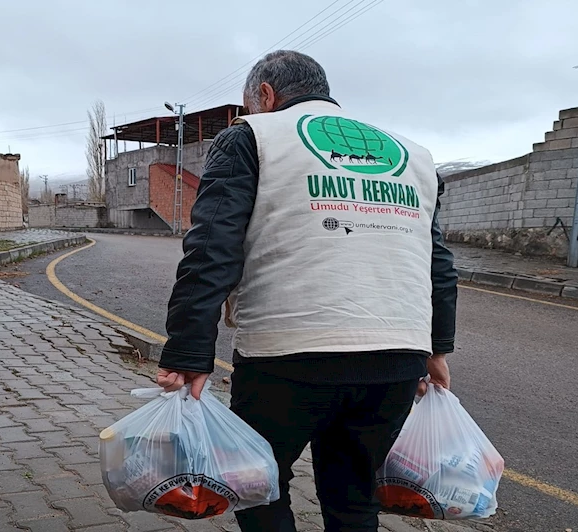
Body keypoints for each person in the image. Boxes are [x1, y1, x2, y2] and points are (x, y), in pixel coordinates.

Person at [156, 50, 458, 532]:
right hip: (396, 358)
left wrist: (190, 352)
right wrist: (437, 347)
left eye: (248, 104)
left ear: (266, 95)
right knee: (355, 499)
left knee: (257, 487)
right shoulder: (413, 156)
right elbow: (437, 262)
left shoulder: (249, 137)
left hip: (287, 358)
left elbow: (212, 248)